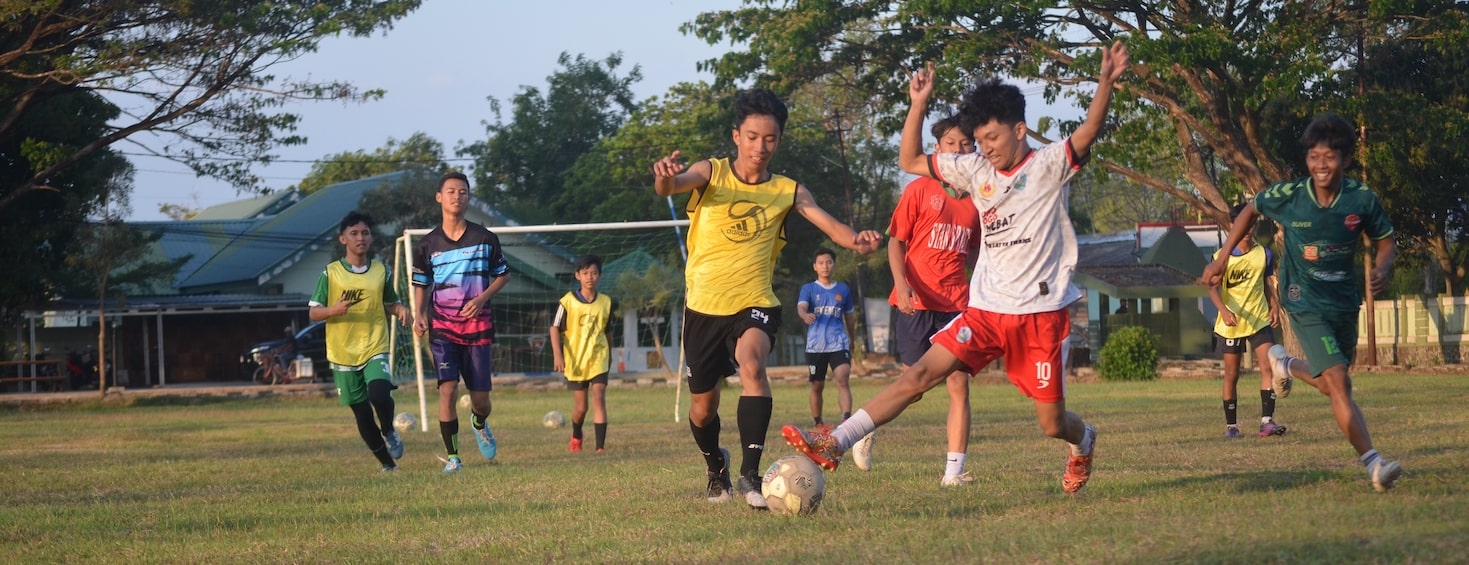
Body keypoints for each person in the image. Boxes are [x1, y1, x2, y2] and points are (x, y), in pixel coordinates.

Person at [783, 41, 1130, 495]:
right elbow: (909, 160)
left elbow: (1088, 131)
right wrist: (918, 104)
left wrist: (1104, 83)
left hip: (1041, 316)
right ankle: (836, 441)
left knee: (1051, 423)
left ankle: (1083, 441)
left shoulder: (1048, 165)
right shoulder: (974, 171)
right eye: (979, 141)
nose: (985, 149)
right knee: (919, 375)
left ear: (1020, 130)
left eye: (993, 139)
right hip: (985, 311)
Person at [651, 88, 883, 509]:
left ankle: (750, 476)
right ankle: (715, 466)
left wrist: (858, 241)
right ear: (736, 135)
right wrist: (665, 173)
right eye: (753, 137)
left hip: (754, 301)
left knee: (753, 365)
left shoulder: (788, 190)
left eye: (770, 139)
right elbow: (669, 185)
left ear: (779, 140)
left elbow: (832, 227)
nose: (761, 147)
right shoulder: (711, 173)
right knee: (703, 410)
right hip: (703, 307)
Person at [1201, 113, 1402, 492]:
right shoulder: (1291, 195)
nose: (1320, 165)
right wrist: (1223, 256)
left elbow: (1387, 240)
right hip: (1303, 299)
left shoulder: (1361, 199)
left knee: (1333, 385)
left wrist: (1382, 266)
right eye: (1313, 157)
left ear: (1344, 158)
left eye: (1328, 157)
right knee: (1339, 382)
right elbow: (1250, 209)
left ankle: (1286, 363)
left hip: (1344, 302)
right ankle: (1374, 464)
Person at [856, 115, 983, 486]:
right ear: (937, 149)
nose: (959, 151)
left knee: (959, 384)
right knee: (913, 388)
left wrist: (982, 291)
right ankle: (867, 426)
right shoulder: (919, 189)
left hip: (957, 305)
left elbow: (976, 253)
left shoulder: (979, 198)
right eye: (951, 144)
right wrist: (903, 284)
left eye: (965, 144)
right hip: (916, 301)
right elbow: (896, 241)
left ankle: (953, 473)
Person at [412, 171, 512, 474]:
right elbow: (422, 283)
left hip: (478, 329)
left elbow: (503, 274)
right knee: (448, 389)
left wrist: (482, 299)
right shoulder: (428, 244)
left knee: (480, 400)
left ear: (468, 198)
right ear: (439, 197)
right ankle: (453, 457)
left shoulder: (485, 238)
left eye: (463, 192)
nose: (457, 196)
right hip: (443, 329)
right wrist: (419, 313)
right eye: (451, 191)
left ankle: (479, 423)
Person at [308, 211, 414, 472]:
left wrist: (400, 310)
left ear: (371, 237)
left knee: (379, 393)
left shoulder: (381, 271)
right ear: (343, 239)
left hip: (374, 346)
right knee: (363, 415)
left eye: (365, 233)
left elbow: (391, 302)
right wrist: (333, 310)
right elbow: (312, 312)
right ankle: (388, 466)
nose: (360, 238)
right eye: (354, 233)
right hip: (342, 353)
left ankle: (389, 429)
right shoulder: (330, 273)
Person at [1208, 202, 1286, 439]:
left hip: (1259, 319)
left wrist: (1274, 305)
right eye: (1242, 223)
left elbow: (1267, 282)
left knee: (1268, 366)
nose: (1248, 229)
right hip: (1231, 324)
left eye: (1251, 223)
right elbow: (1212, 289)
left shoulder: (1264, 253)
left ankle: (1266, 422)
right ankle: (1231, 426)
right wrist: (1223, 309)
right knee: (1232, 374)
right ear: (1232, 225)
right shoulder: (1221, 257)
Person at [550, 254, 612, 453]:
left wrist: (611, 354)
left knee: (599, 395)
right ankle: (576, 433)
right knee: (581, 408)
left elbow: (608, 331)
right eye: (585, 273)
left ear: (600, 276)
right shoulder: (567, 301)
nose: (589, 277)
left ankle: (600, 447)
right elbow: (554, 328)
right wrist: (558, 355)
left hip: (598, 358)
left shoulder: (606, 302)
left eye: (594, 273)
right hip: (575, 361)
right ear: (578, 275)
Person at [797, 247, 856, 432]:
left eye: (829, 262)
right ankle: (818, 421)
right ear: (815, 266)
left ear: (834, 265)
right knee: (817, 384)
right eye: (821, 263)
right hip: (816, 346)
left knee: (842, 378)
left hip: (838, 343)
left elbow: (850, 317)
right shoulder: (809, 288)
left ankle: (846, 419)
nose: (825, 266)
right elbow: (802, 307)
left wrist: (852, 339)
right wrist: (805, 315)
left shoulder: (843, 290)